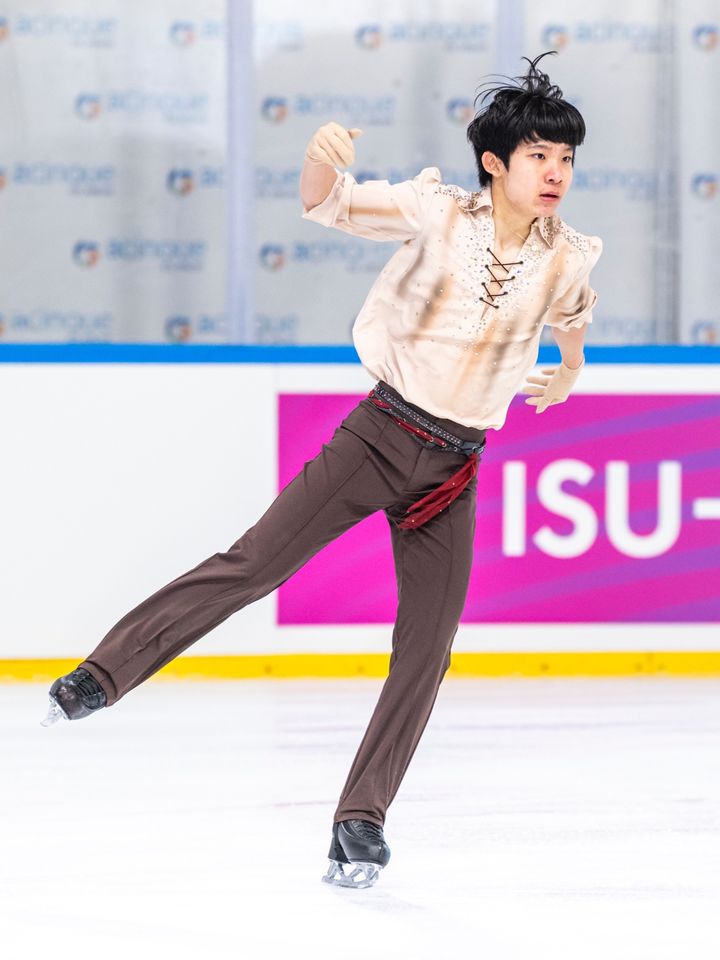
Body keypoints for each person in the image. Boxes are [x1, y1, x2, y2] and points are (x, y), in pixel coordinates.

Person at [41, 51, 602, 890]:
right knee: (254, 563)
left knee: (427, 647)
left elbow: (572, 315)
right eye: (539, 156)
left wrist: (569, 367)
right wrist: (320, 153)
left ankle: (361, 821)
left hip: (454, 469)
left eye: (565, 159)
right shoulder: (438, 211)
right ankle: (103, 673)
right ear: (495, 161)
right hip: (378, 434)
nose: (556, 173)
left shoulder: (568, 254)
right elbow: (324, 202)